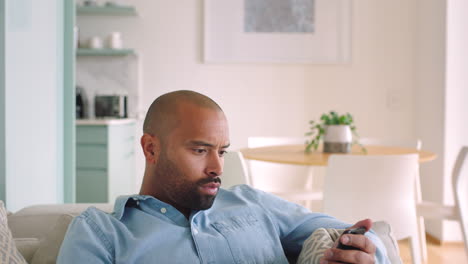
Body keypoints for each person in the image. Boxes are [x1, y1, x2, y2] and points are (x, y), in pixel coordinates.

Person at [58, 90, 390, 263]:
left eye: (222, 151)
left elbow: (352, 232)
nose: (217, 167)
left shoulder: (254, 203)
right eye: (200, 151)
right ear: (151, 149)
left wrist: (365, 250)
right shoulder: (100, 232)